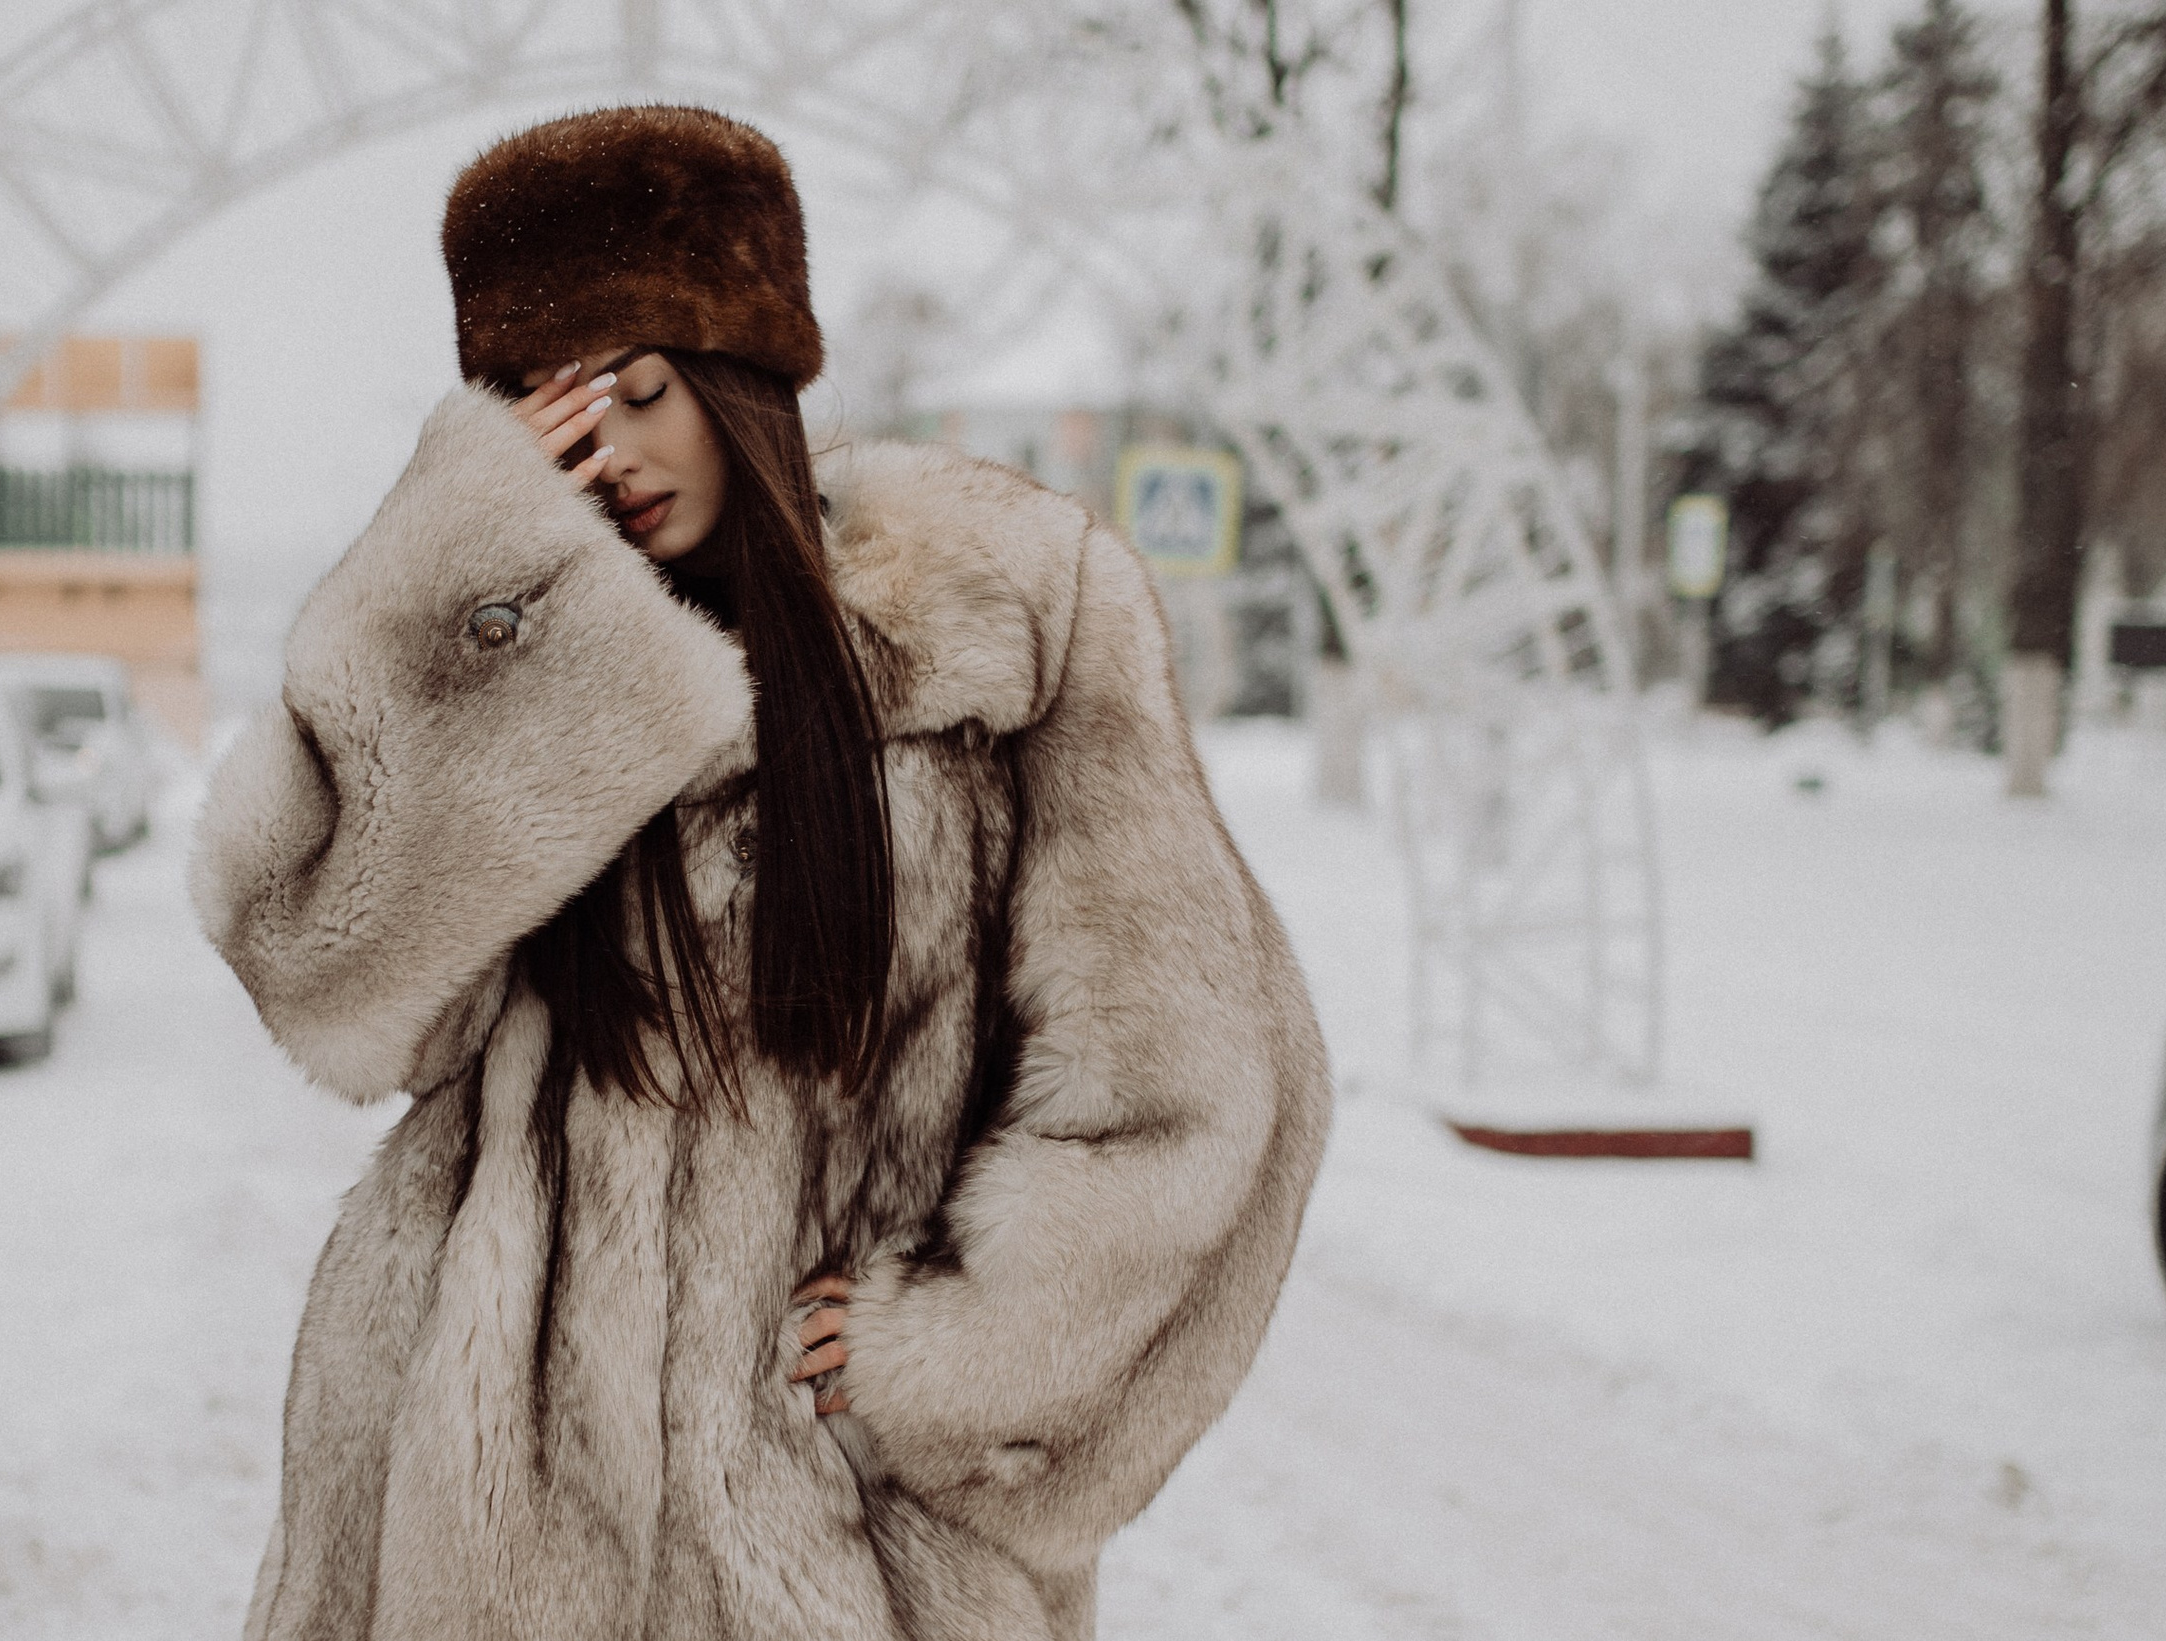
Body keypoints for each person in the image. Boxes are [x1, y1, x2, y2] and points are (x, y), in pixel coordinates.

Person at [193, 105, 1328, 1641]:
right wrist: (466, 558)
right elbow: (318, 966)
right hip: (500, 1553)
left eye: (644, 392)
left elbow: (1191, 1089)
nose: (609, 452)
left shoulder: (1011, 651)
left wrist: (954, 1362)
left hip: (845, 1559)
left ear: (744, 380)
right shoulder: (528, 676)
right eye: (539, 419)